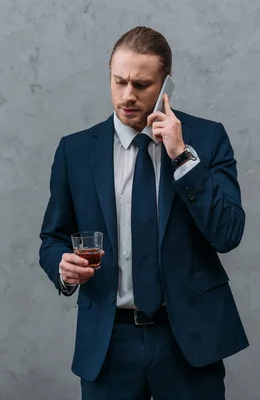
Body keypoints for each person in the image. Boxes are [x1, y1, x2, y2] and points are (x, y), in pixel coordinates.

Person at [38, 26, 249, 399]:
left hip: (188, 340)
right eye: (119, 82)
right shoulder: (75, 152)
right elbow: (53, 237)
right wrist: (63, 268)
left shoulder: (207, 138)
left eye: (142, 84)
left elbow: (228, 233)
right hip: (108, 341)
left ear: (166, 85)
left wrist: (182, 156)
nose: (128, 96)